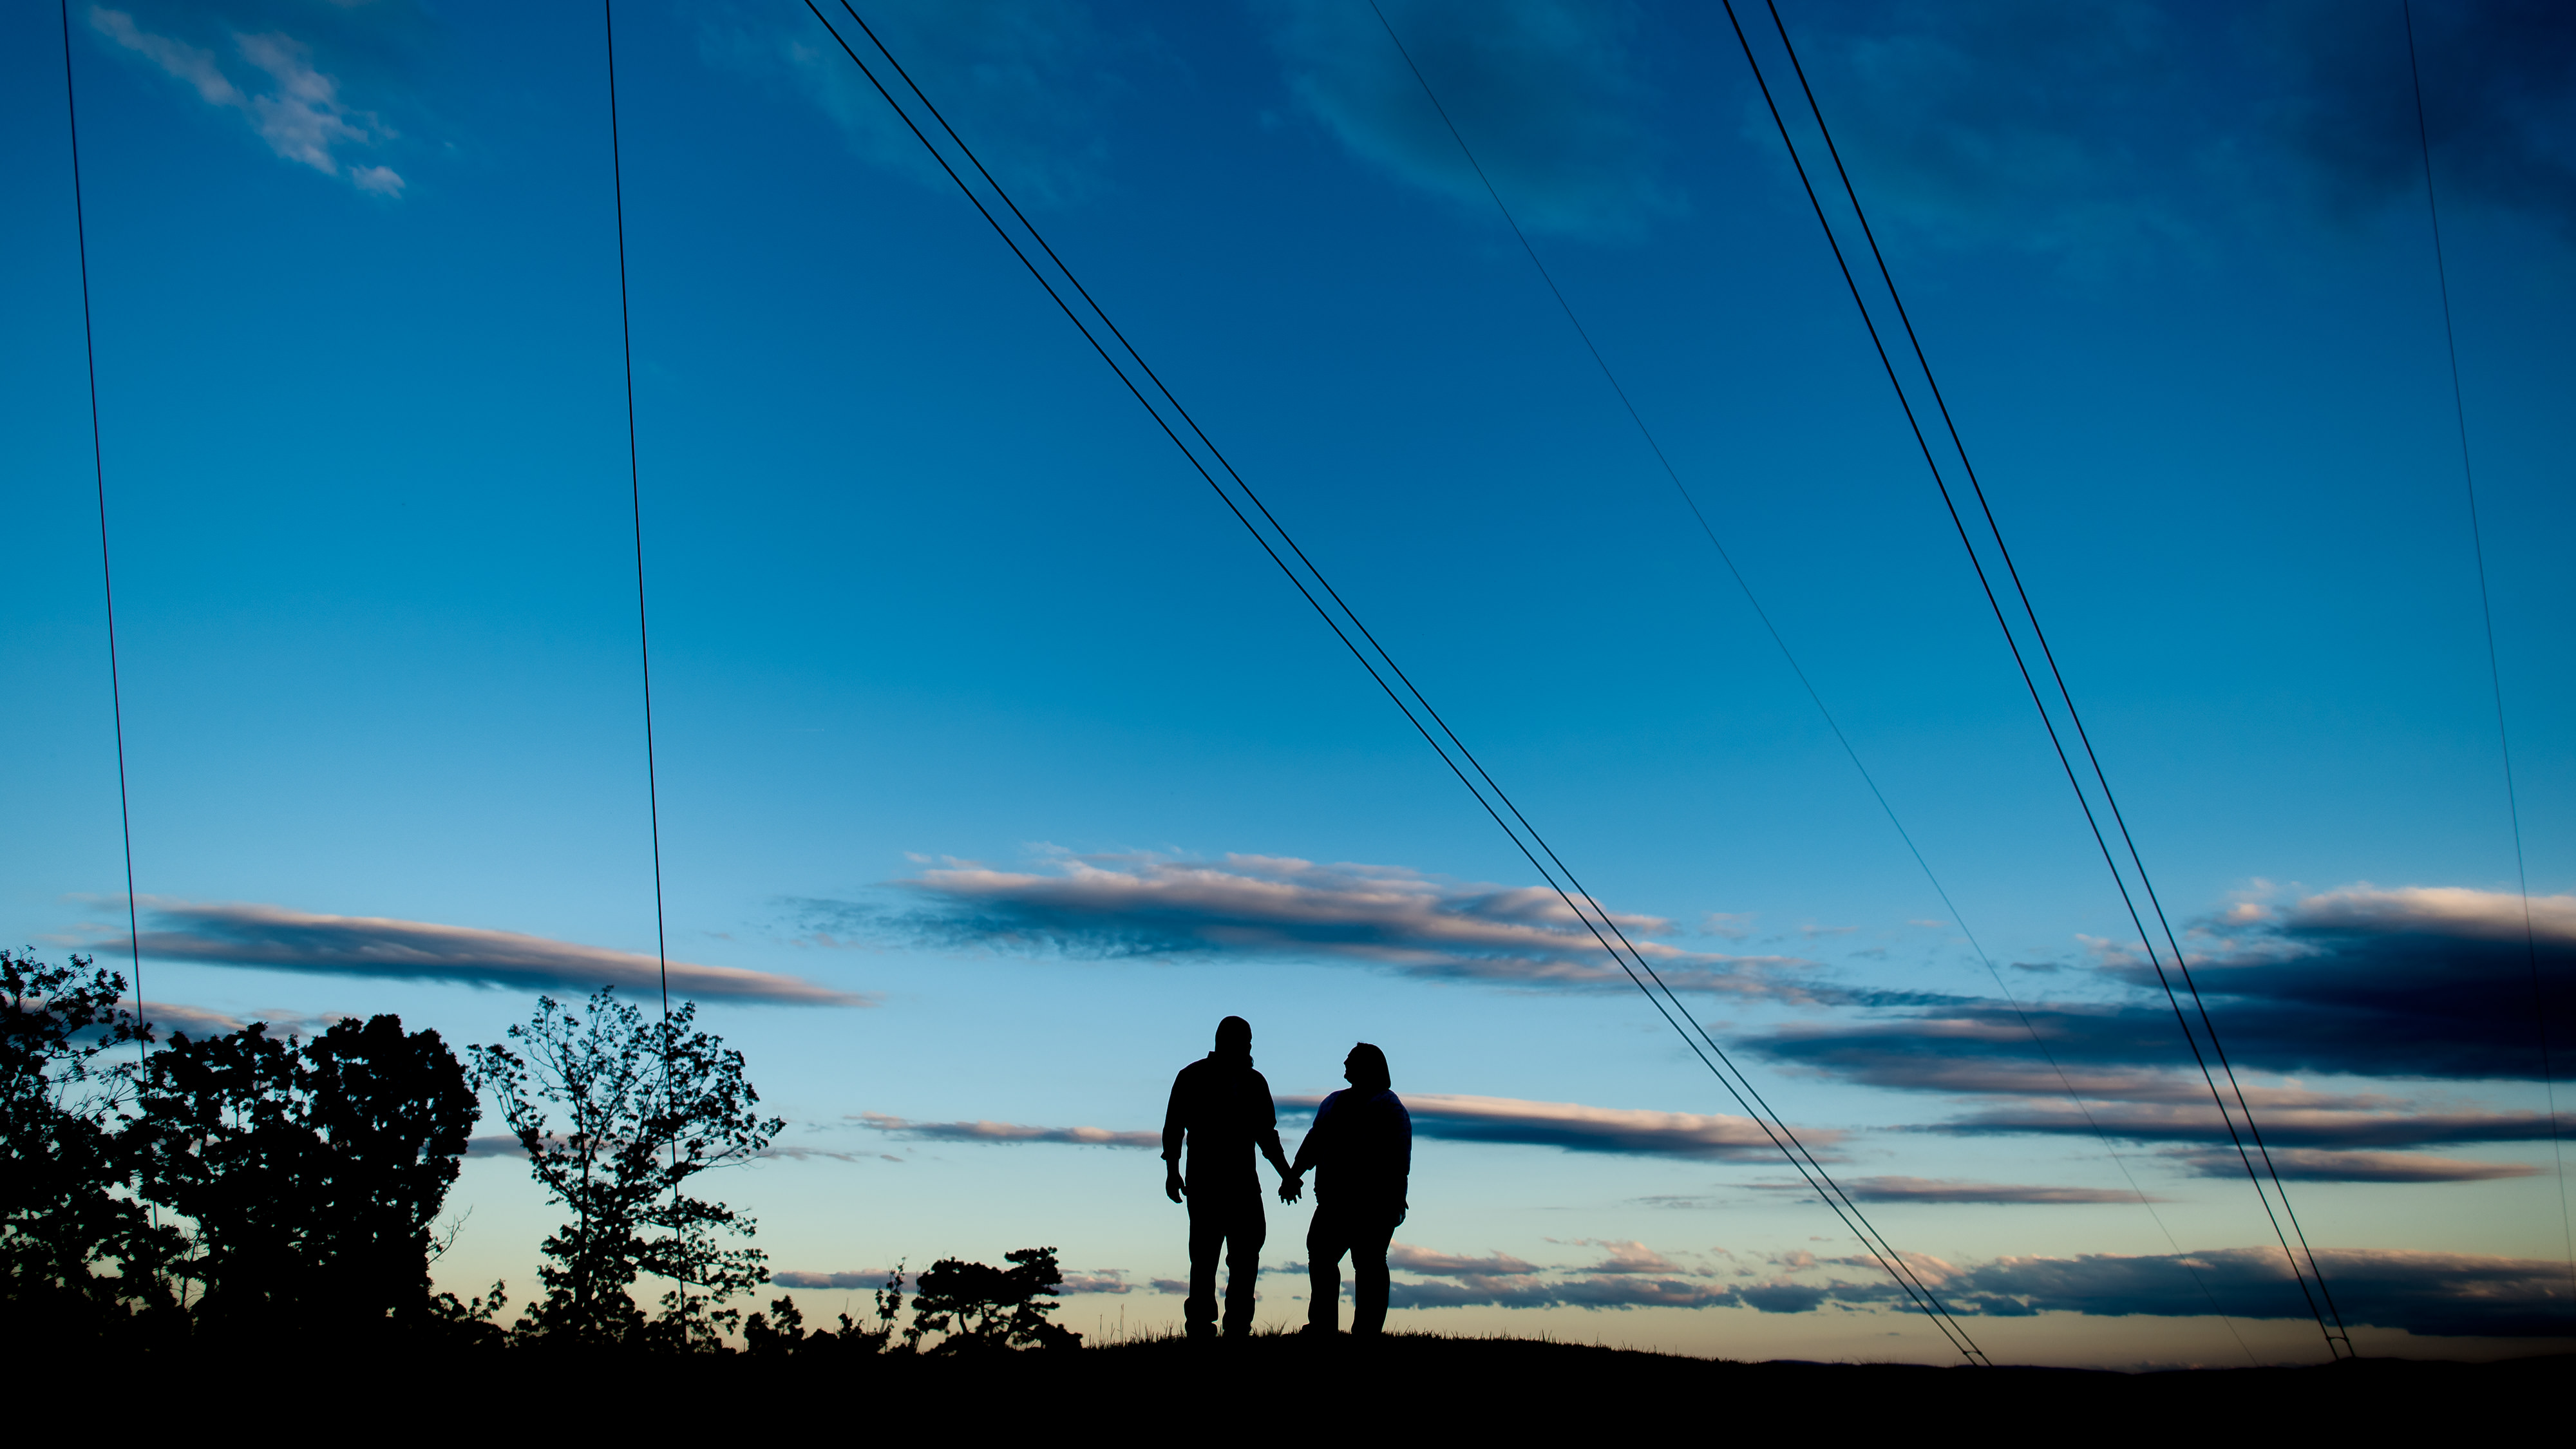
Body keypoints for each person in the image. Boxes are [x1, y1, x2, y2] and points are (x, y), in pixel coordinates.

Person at [1162, 1015, 1296, 1339]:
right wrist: (1172, 1171)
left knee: (1238, 1257)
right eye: (1244, 1042)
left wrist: (1287, 1175)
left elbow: (1267, 1136)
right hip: (1213, 1186)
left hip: (1234, 1186)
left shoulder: (1249, 1081)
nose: (1248, 1048)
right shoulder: (1197, 1077)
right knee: (1210, 1258)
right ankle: (1208, 1327)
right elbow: (1174, 1129)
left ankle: (1231, 1327)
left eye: (1249, 1043)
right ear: (1226, 1042)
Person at [1280, 1042, 1410, 1336]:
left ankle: (1366, 1331)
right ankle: (1323, 1326)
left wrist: (1394, 1200)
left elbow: (1398, 1159)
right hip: (1333, 1202)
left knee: (1369, 1264)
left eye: (1351, 1060)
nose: (1344, 1063)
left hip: (1373, 1204)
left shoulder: (1388, 1107)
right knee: (1322, 1256)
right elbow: (1314, 1143)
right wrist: (1293, 1176)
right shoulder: (1334, 1102)